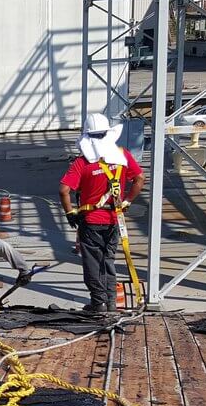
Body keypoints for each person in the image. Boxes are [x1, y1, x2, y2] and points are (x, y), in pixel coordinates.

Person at [59, 113, 146, 313]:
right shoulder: (122, 154)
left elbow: (64, 190)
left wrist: (70, 213)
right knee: (108, 260)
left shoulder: (83, 163)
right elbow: (140, 179)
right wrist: (127, 201)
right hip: (115, 219)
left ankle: (98, 304)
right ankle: (112, 303)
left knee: (92, 262)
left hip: (91, 221)